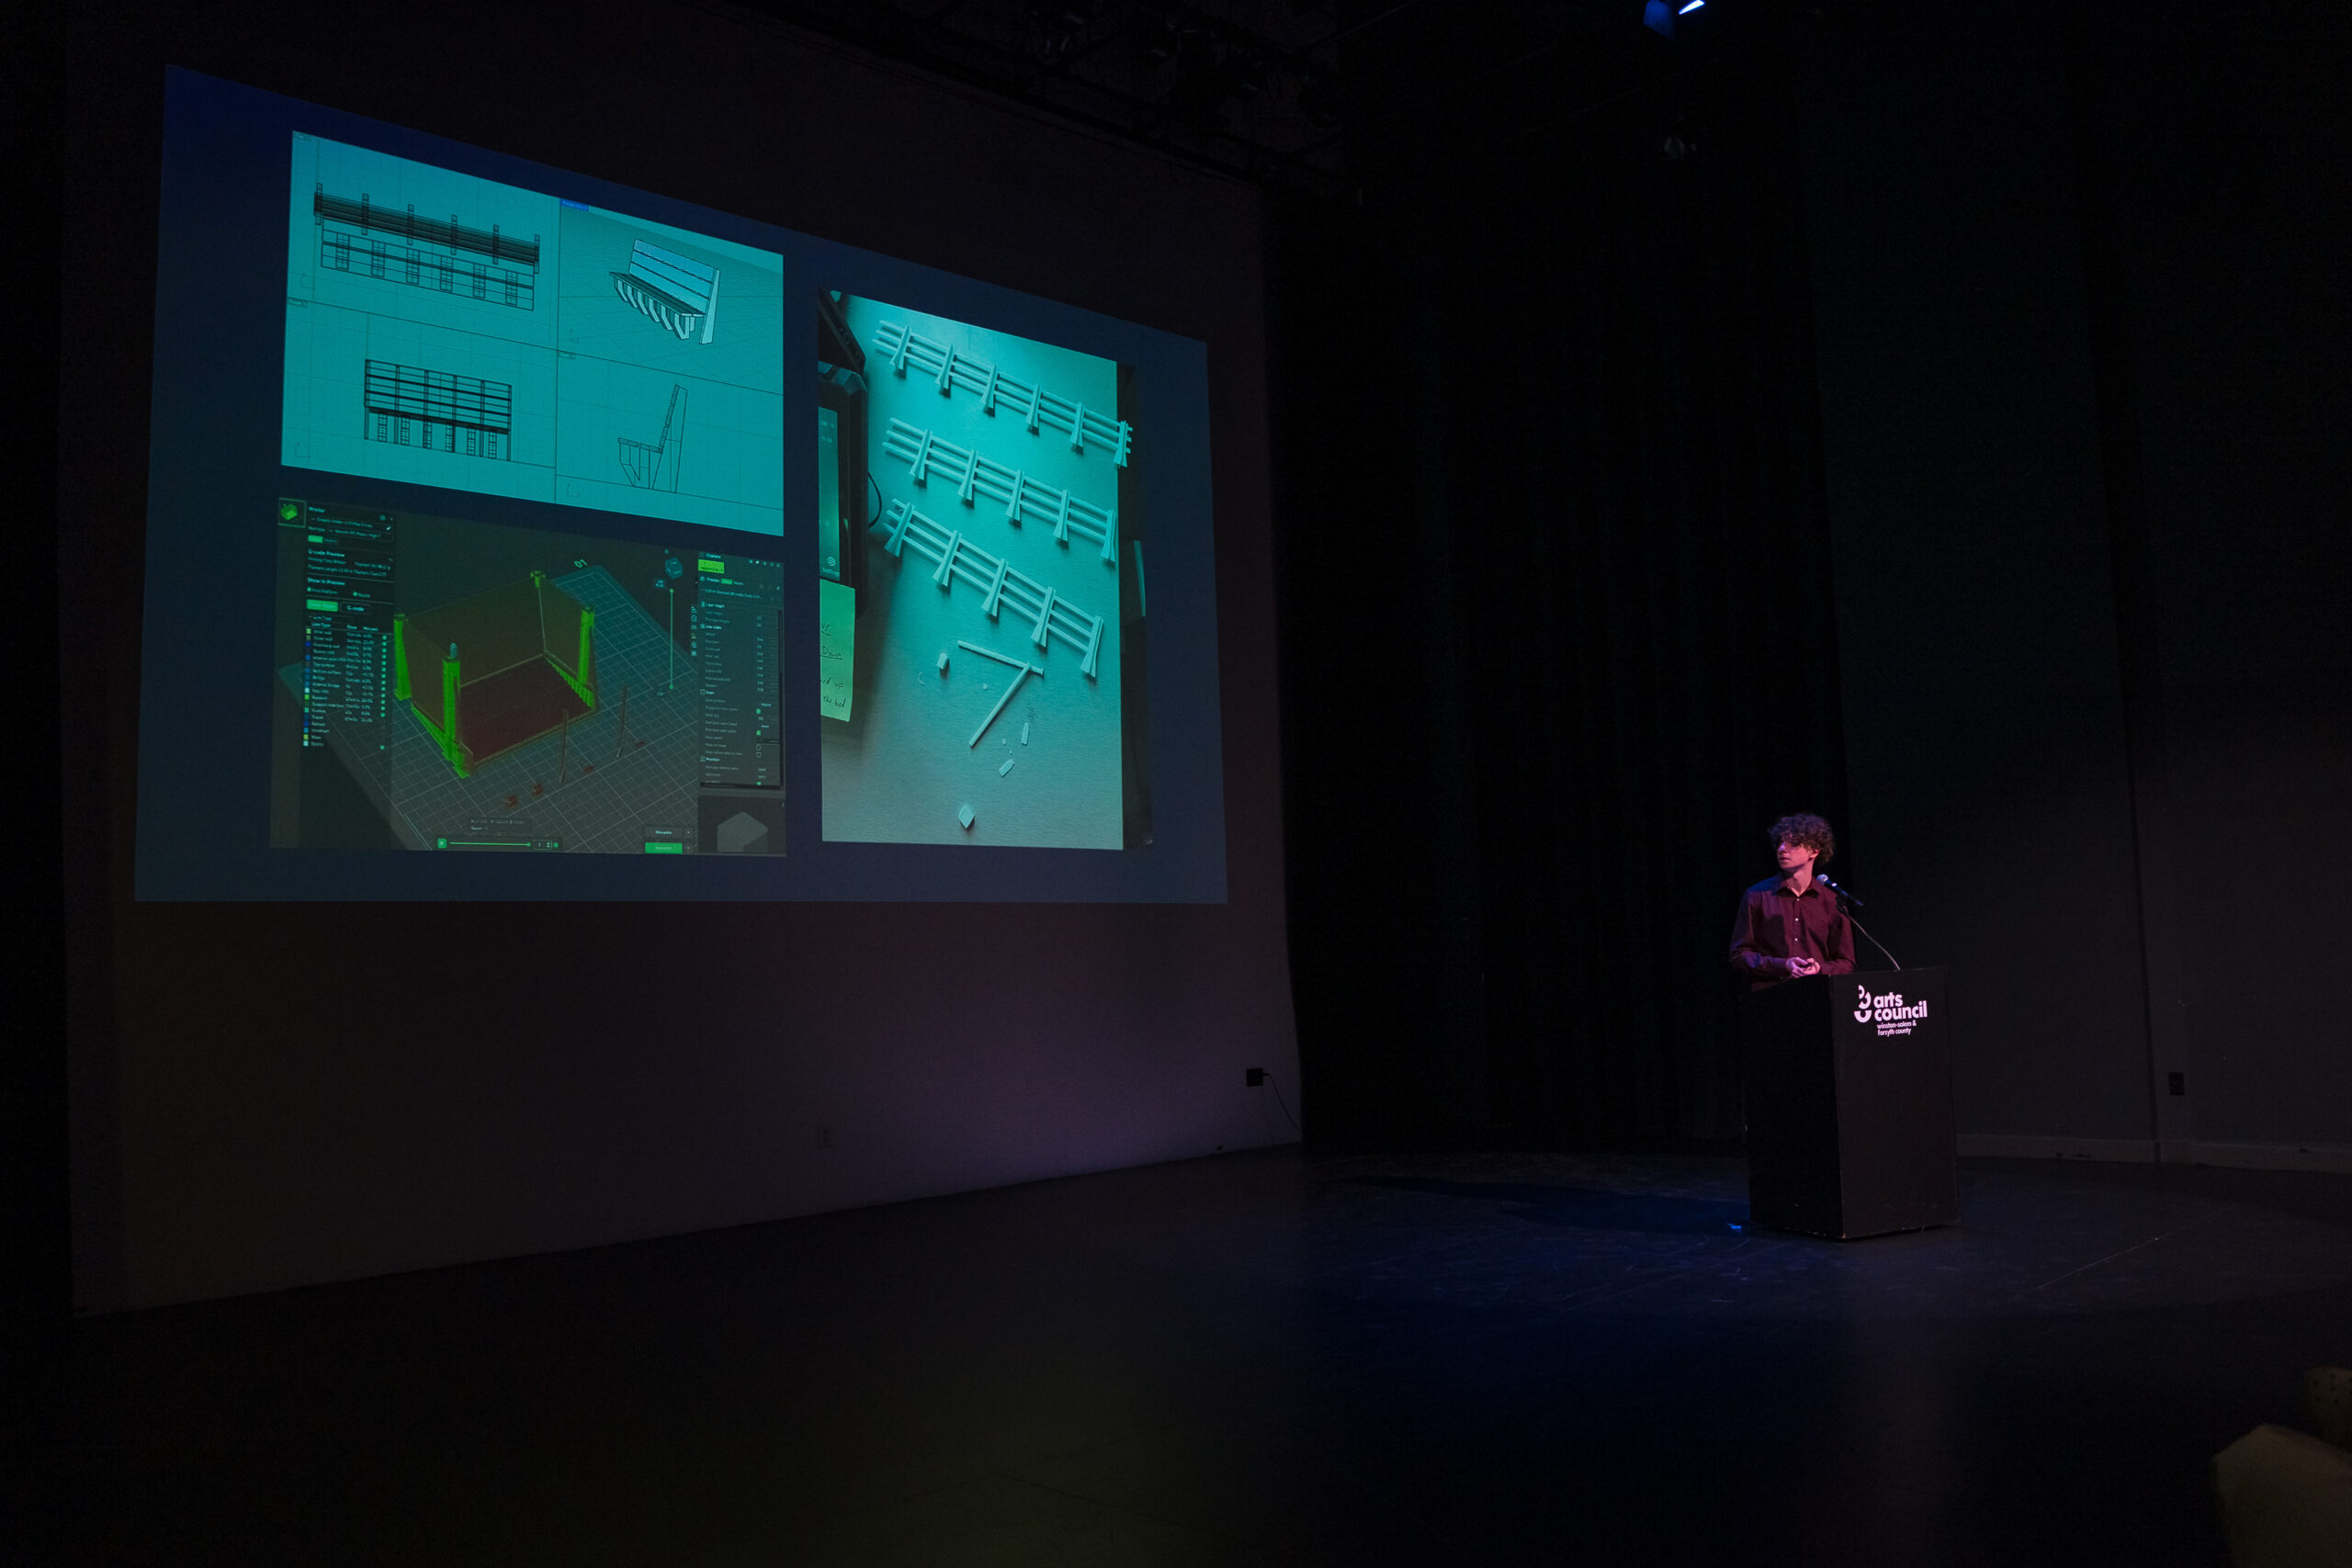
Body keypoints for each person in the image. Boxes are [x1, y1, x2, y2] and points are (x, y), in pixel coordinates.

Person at [1728, 812, 1856, 989]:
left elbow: (1846, 963)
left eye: (1793, 843)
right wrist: (1783, 965)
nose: (1782, 849)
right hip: (1771, 997)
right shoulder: (1757, 895)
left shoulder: (1831, 901)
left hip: (1817, 995)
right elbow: (1739, 955)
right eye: (1780, 842)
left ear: (1814, 851)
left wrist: (1819, 969)